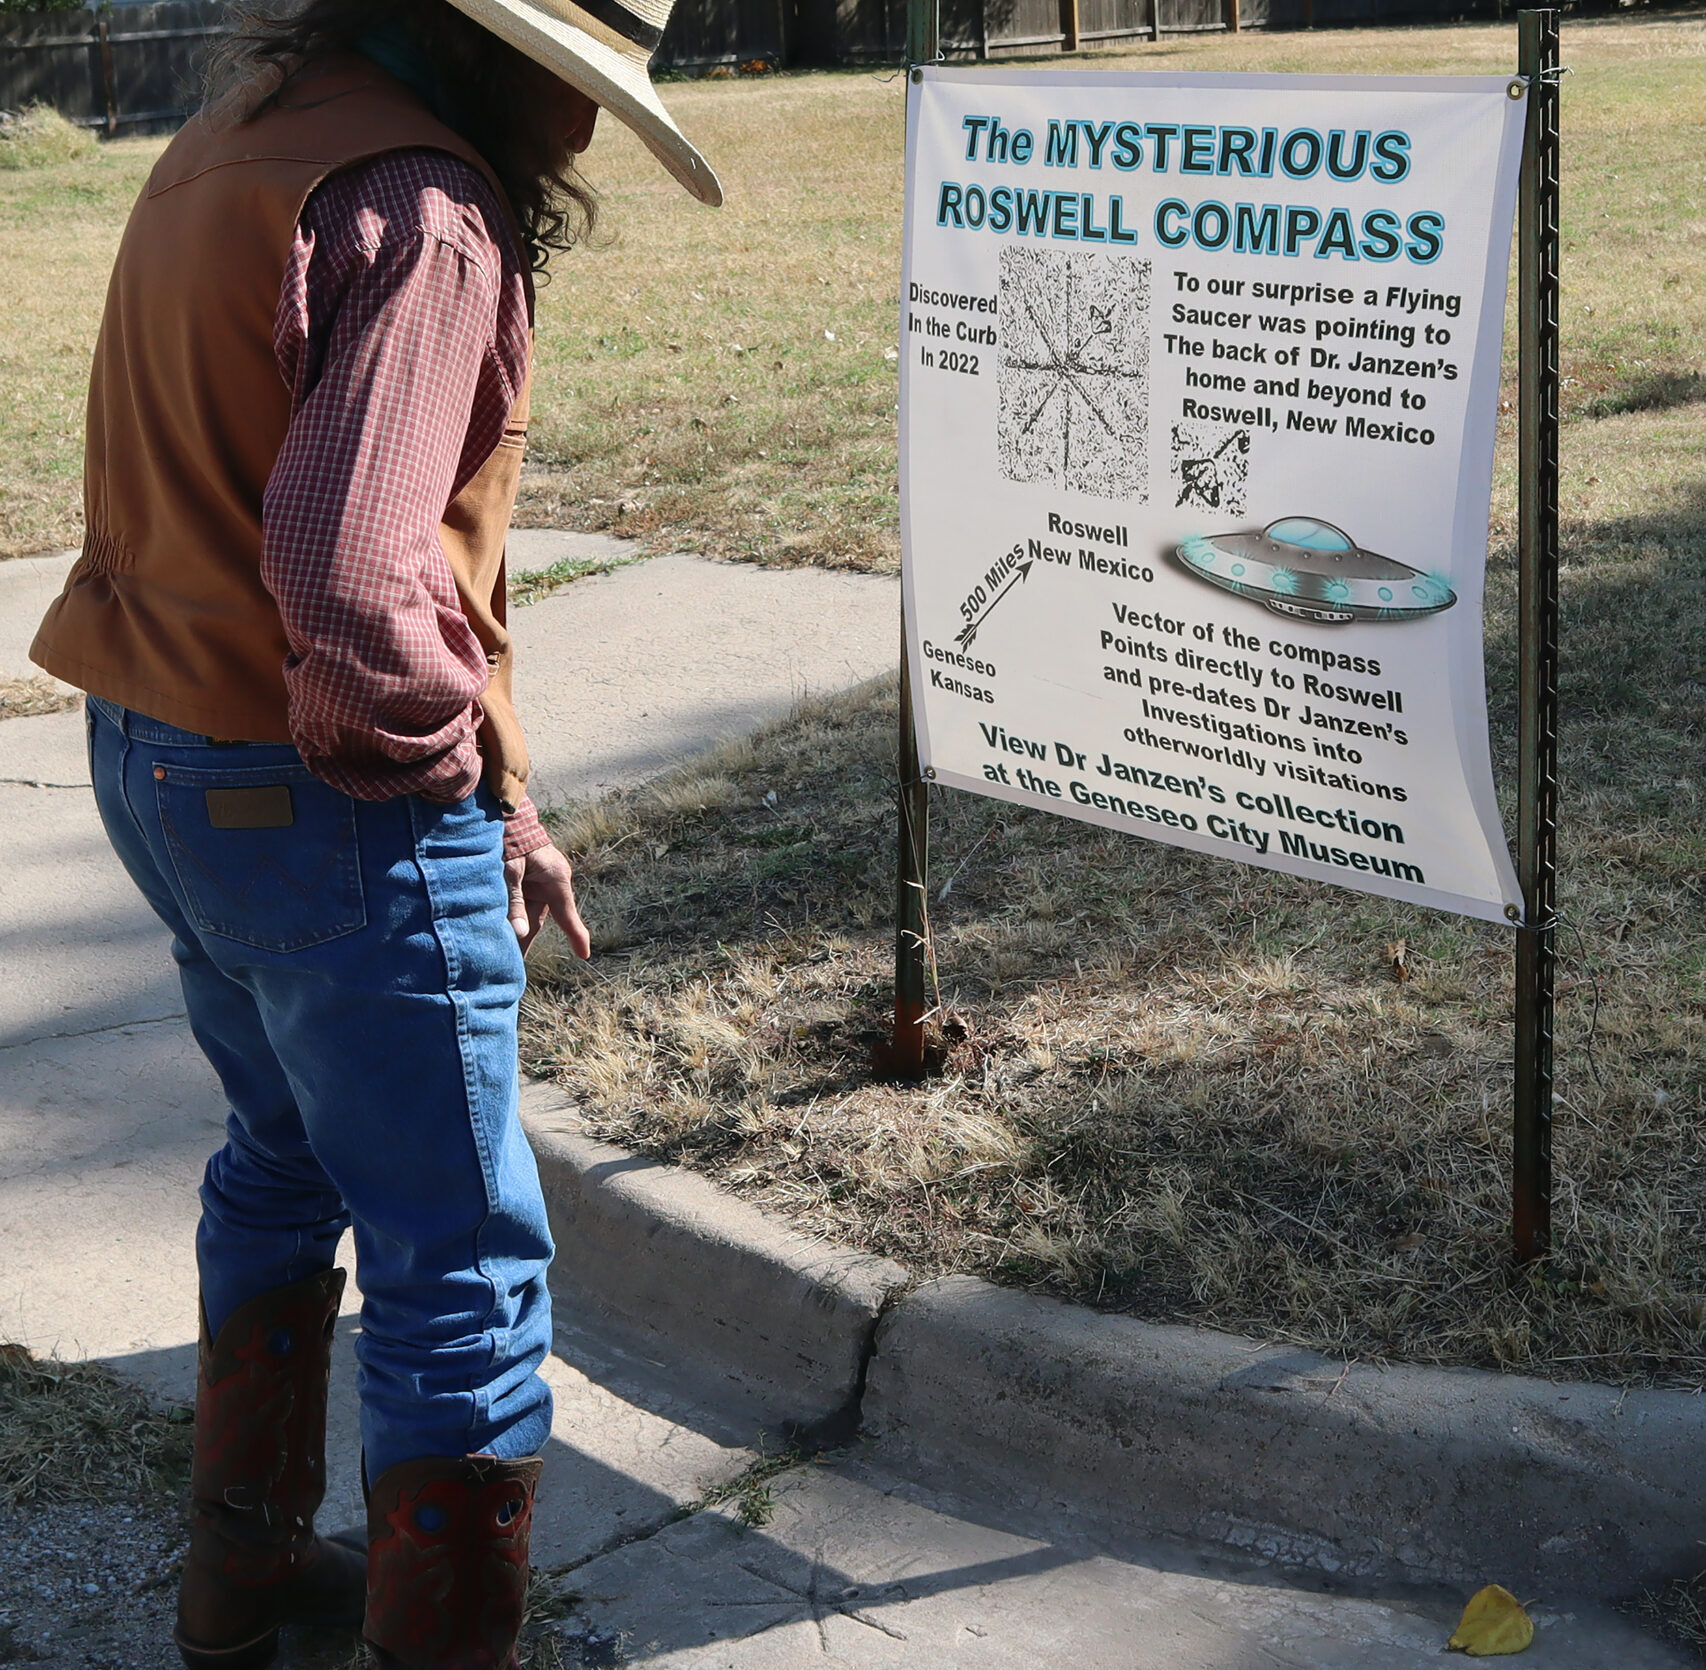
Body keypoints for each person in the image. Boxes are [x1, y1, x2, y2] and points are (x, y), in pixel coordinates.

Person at [30, 2, 719, 1665]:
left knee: (279, 1160)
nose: (584, 129)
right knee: (463, 1267)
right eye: (584, 86)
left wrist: (514, 785)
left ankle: (244, 1583)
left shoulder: (242, 134)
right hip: (313, 790)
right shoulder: (429, 212)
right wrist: (441, 792)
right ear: (499, 53)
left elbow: (371, 547)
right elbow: (351, 583)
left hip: (155, 754)